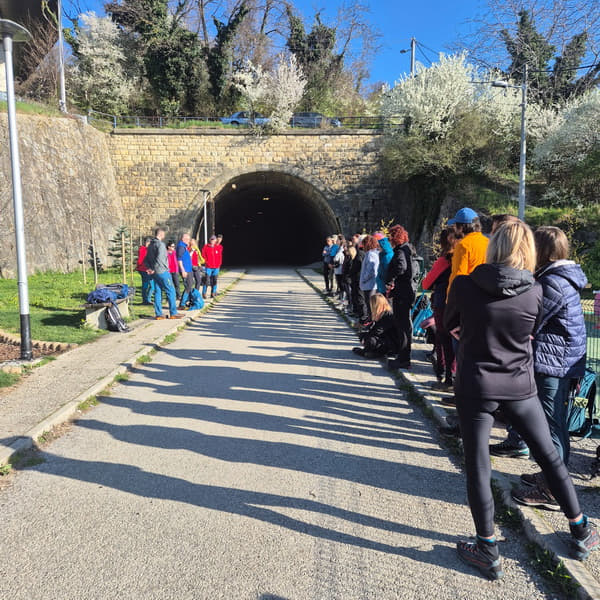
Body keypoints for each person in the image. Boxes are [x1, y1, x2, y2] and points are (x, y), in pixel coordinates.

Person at [445, 220, 598, 580]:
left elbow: (450, 324)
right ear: (528, 250)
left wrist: (475, 339)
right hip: (519, 383)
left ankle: (487, 547)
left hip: (475, 384)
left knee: (478, 465)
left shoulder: (465, 285)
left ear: (494, 246)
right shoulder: (536, 290)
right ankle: (579, 528)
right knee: (548, 455)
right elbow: (531, 332)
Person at [501, 227, 588, 510]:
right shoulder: (560, 277)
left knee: (550, 426)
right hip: (560, 362)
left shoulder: (552, 282)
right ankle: (551, 477)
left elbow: (532, 319)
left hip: (553, 364)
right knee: (553, 423)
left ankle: (552, 489)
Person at [422, 227, 458, 388]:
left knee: (443, 340)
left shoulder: (443, 261)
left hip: (443, 303)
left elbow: (426, 284)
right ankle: (453, 375)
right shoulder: (462, 258)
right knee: (456, 340)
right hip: (459, 304)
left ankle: (445, 375)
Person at [385, 225, 415, 368]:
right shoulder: (407, 248)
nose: (389, 239)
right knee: (404, 324)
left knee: (402, 325)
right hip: (406, 291)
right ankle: (403, 356)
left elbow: (401, 267)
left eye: (390, 236)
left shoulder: (401, 251)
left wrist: (391, 279)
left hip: (402, 292)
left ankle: (403, 359)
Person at [144, 228, 184, 320]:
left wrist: (150, 268)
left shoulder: (150, 245)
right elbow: (160, 259)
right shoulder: (161, 245)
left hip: (154, 273)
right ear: (161, 234)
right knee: (171, 290)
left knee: (158, 292)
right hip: (162, 271)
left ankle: (158, 314)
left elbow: (146, 259)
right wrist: (154, 269)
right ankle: (173, 312)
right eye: (164, 234)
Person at [446, 207, 489, 294]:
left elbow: (457, 277)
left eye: (455, 225)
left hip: (466, 296)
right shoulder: (488, 242)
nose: (454, 228)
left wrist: (449, 299)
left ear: (461, 227)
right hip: (485, 294)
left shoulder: (463, 245)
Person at [352, 294, 400, 358]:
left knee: (370, 340)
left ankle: (370, 352)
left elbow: (378, 331)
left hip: (392, 342)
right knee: (363, 336)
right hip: (386, 339)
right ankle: (374, 352)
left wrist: (366, 337)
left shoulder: (388, 315)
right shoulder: (382, 313)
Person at [358, 235, 380, 325]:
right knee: (370, 305)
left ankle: (372, 323)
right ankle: (370, 322)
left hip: (370, 285)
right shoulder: (371, 254)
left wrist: (364, 278)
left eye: (363, 244)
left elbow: (372, 270)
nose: (362, 246)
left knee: (370, 305)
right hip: (369, 284)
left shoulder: (371, 254)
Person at [177, 233, 194, 309]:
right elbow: (179, 259)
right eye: (187, 239)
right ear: (183, 239)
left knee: (189, 285)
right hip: (185, 270)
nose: (188, 241)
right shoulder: (181, 247)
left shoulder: (184, 246)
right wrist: (183, 270)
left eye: (189, 239)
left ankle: (187, 301)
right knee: (188, 286)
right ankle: (182, 303)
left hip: (188, 269)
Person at [136, 237, 154, 305]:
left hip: (149, 269)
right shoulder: (143, 249)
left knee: (152, 286)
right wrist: (146, 268)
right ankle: (145, 300)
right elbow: (141, 260)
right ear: (147, 243)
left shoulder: (148, 249)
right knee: (145, 285)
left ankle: (148, 299)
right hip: (144, 269)